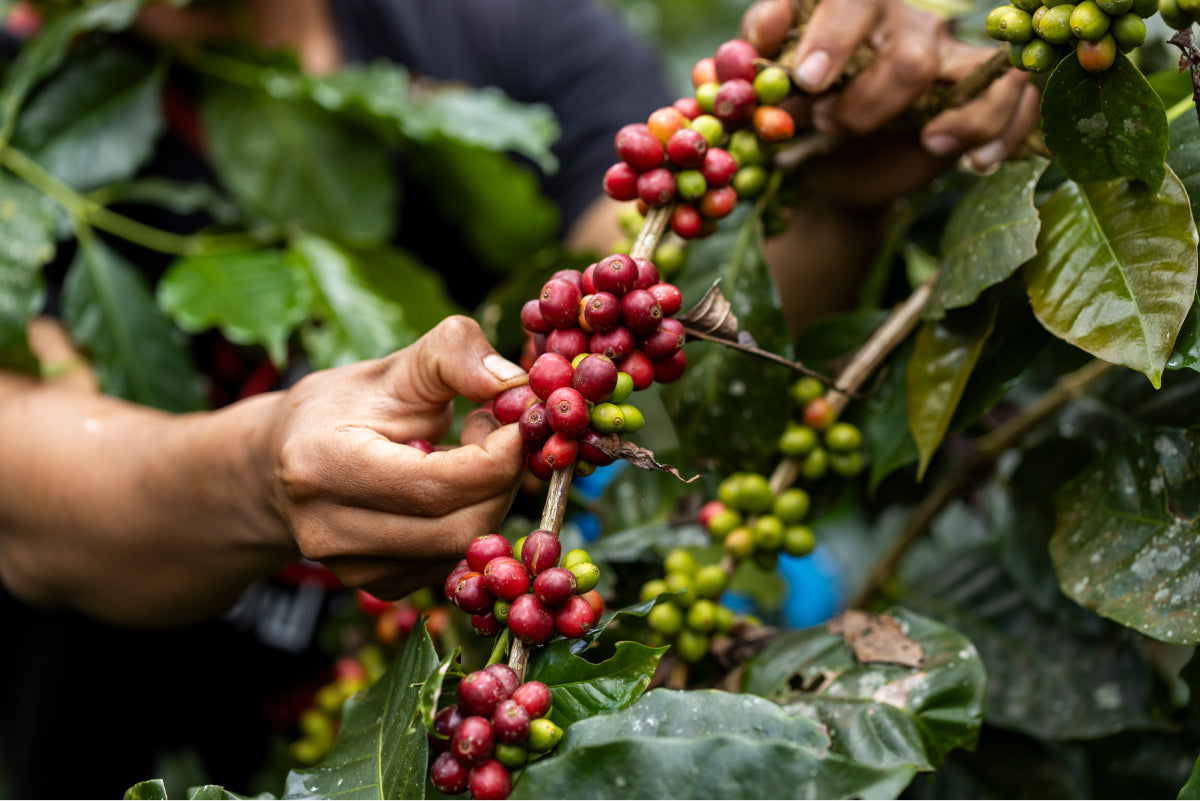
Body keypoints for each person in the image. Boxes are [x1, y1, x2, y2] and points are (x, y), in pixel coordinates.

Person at [0, 0, 1037, 794]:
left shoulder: (497, 29)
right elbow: (36, 493)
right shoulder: (26, 111)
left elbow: (649, 314)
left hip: (491, 688)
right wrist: (260, 471)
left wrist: (836, 196)